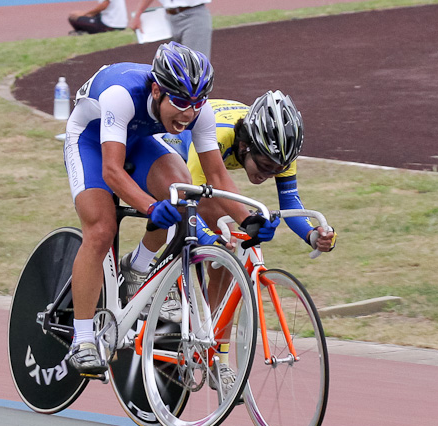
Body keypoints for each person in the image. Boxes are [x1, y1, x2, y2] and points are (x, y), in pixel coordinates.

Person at [63, 42, 279, 374]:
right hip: (91, 142)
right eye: (179, 102)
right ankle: (83, 340)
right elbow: (111, 171)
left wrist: (248, 216)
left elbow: (217, 175)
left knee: (183, 194)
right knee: (102, 229)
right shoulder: (121, 96)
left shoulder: (198, 112)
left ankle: (137, 268)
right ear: (156, 90)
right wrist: (150, 208)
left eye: (196, 104)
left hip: (138, 141)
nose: (188, 114)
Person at [161, 91, 337, 254]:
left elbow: (289, 201)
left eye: (278, 170)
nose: (268, 175)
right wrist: (208, 237)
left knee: (226, 255)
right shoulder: (219, 139)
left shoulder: (280, 152)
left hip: (219, 131)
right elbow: (188, 200)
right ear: (245, 146)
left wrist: (312, 235)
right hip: (176, 146)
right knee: (219, 232)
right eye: (265, 166)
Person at [129, 0, 212, 59]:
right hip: (169, 18)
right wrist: (138, 14)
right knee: (174, 66)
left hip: (194, 15)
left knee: (195, 65)